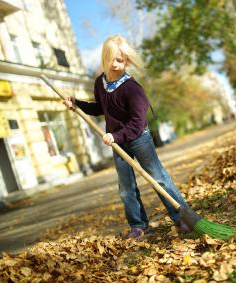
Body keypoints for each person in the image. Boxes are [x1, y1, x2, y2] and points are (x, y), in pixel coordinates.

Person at [63, 35, 190, 239]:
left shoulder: (132, 88)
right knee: (126, 188)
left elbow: (137, 123)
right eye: (111, 58)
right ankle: (139, 225)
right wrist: (77, 104)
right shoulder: (100, 83)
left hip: (139, 139)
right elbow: (99, 107)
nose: (114, 64)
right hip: (118, 142)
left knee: (159, 179)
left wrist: (116, 135)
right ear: (104, 57)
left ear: (127, 61)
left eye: (120, 60)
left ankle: (182, 217)